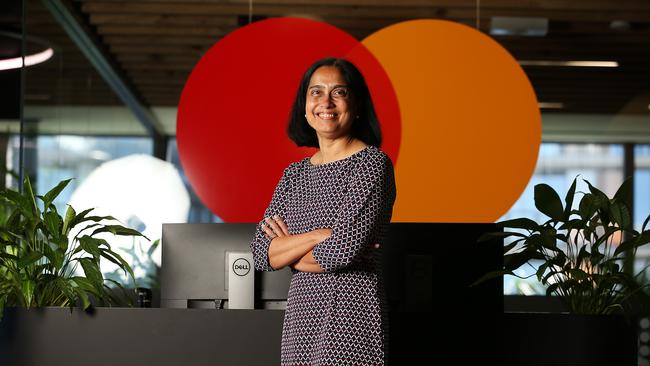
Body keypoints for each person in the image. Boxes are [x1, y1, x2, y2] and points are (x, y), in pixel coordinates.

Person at [250, 57, 396, 365]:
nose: (326, 102)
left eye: (339, 92)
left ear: (356, 105)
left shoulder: (372, 164)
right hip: (301, 319)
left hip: (350, 317)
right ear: (304, 107)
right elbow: (262, 253)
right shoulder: (294, 174)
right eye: (316, 92)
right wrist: (319, 235)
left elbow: (339, 253)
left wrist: (289, 251)